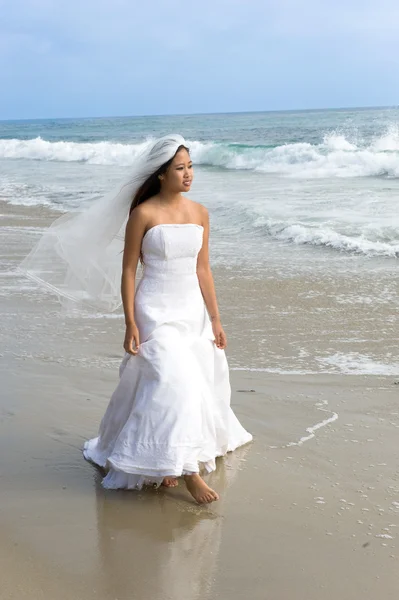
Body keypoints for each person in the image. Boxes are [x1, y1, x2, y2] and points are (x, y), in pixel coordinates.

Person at [20, 134, 252, 505]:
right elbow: (129, 271)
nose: (188, 174)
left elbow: (203, 270)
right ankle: (186, 469)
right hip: (155, 310)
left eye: (191, 166)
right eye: (180, 168)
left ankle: (163, 460)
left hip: (191, 311)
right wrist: (130, 322)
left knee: (183, 385)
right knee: (173, 381)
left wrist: (216, 319)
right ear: (161, 174)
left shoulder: (200, 213)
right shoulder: (143, 214)